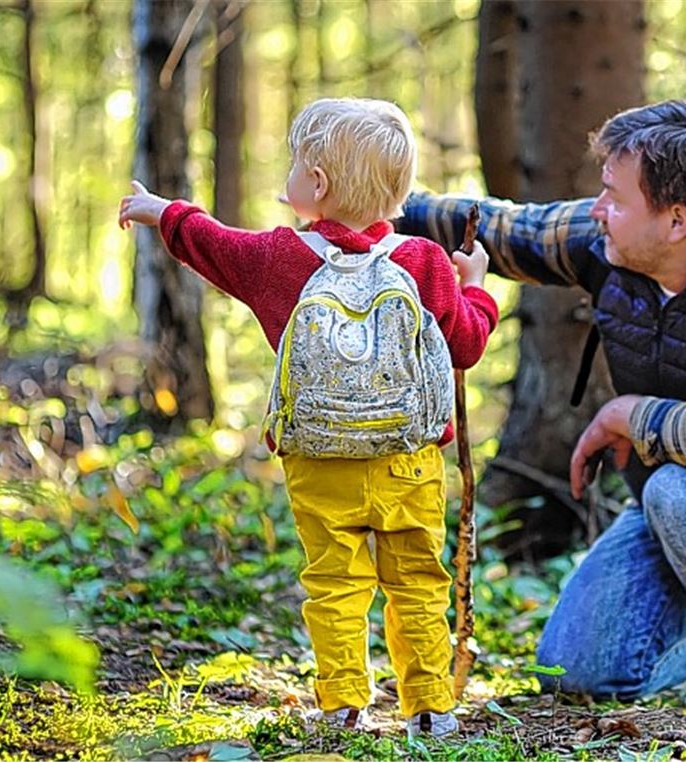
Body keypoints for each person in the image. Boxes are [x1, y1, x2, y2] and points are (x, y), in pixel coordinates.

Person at [397, 99, 686, 720]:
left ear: (676, 221)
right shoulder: (612, 242)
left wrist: (626, 413)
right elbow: (504, 229)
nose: (598, 211)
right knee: (576, 673)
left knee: (681, 490)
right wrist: (371, 206)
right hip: (678, 505)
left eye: (614, 197)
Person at [118, 97, 498, 737]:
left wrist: (162, 213)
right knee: (416, 579)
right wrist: (477, 287)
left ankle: (345, 701)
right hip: (408, 459)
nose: (288, 174)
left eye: (296, 164)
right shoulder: (424, 262)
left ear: (315, 185)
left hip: (319, 459)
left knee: (335, 580)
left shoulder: (279, 259)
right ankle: (431, 707)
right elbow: (466, 345)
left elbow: (213, 243)